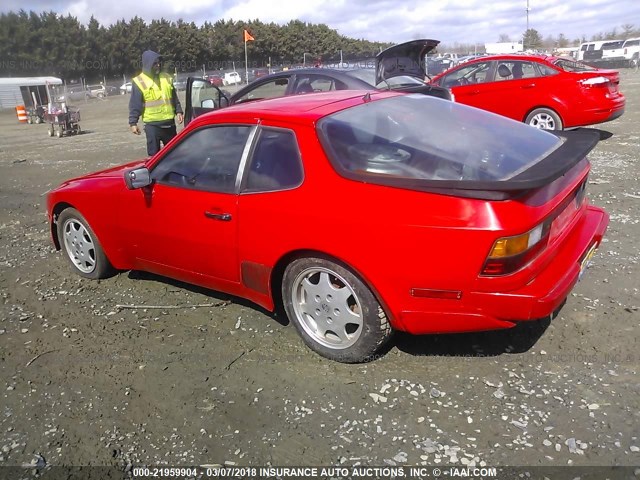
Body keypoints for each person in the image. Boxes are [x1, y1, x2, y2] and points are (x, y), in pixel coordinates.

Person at [129, 50, 183, 156]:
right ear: (148, 64)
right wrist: (133, 123)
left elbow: (173, 97)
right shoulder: (139, 81)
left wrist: (179, 111)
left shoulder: (166, 77)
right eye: (154, 63)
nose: (158, 65)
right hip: (152, 126)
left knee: (174, 155)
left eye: (158, 62)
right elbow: (135, 104)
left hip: (169, 124)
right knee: (154, 158)